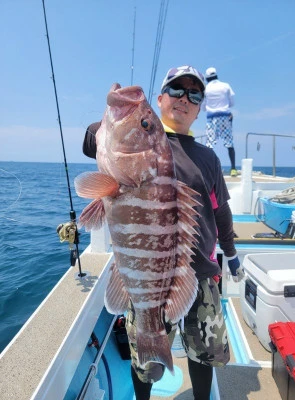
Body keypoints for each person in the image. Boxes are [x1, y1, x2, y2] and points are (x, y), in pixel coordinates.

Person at [82, 65, 244, 400]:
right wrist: (120, 118)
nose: (185, 99)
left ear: (199, 109)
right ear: (160, 99)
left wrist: (231, 254)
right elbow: (93, 138)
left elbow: (221, 212)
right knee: (146, 363)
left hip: (199, 273)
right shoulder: (145, 141)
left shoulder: (208, 158)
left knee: (205, 353)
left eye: (194, 95)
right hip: (146, 274)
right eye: (176, 90)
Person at [202, 67, 237, 177]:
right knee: (229, 143)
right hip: (225, 117)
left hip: (211, 118)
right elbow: (232, 102)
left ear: (207, 78)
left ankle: (208, 168)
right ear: (216, 75)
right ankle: (233, 169)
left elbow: (203, 107)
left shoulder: (205, 89)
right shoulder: (226, 86)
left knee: (210, 144)